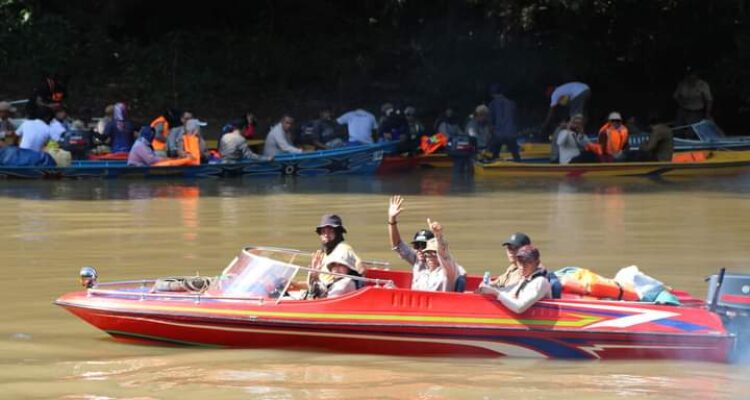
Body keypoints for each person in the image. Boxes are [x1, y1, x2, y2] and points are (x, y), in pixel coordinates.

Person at [387, 195, 466, 291]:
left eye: (424, 246)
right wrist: (392, 219)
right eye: (417, 246)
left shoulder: (447, 270)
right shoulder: (418, 260)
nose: (420, 250)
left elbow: (445, 256)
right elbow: (397, 245)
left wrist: (438, 236)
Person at [477, 245, 551, 314]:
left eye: (527, 263)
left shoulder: (540, 282)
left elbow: (519, 308)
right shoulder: (526, 277)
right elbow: (511, 295)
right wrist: (489, 287)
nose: (522, 267)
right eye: (520, 262)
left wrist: (495, 292)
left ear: (537, 263)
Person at [313, 214, 363, 287]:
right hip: (320, 289)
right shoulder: (322, 253)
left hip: (335, 292)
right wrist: (296, 284)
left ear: (337, 233)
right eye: (323, 231)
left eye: (330, 231)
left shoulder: (343, 248)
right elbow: (321, 281)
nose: (326, 235)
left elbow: (360, 267)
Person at [411, 220, 461, 292]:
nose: (430, 256)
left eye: (434, 252)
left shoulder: (447, 272)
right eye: (428, 253)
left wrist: (438, 236)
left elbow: (444, 255)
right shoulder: (422, 274)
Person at [487, 85, 520, 160]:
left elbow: (491, 122)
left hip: (498, 134)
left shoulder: (492, 104)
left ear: (491, 94)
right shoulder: (511, 103)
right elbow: (515, 119)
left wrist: (490, 136)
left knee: (494, 156)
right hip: (511, 133)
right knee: (516, 156)